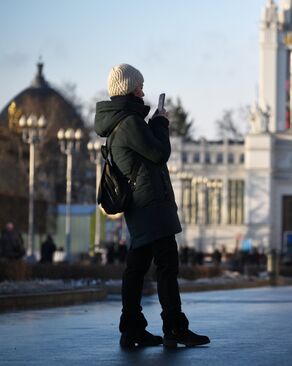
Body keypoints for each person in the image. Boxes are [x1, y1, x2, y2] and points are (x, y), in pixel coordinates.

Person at [95, 64, 209, 349]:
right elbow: (159, 154)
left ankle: (132, 329)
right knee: (166, 265)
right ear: (128, 89)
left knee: (137, 268)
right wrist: (160, 123)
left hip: (143, 206)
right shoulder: (130, 124)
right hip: (150, 206)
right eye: (139, 87)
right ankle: (174, 328)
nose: (142, 91)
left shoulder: (122, 122)